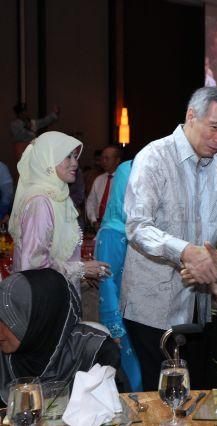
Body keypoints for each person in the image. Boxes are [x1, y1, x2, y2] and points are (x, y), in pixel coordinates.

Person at [120, 87, 217, 392]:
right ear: (191, 116)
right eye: (214, 127)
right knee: (160, 396)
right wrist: (185, 251)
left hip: (197, 303)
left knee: (194, 392)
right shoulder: (155, 157)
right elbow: (137, 226)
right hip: (153, 305)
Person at [0, 269, 124, 405]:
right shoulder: (4, 358)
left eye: (6, 321)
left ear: (40, 319)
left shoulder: (95, 351)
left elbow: (115, 413)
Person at [8, 132, 110, 293]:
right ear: (47, 160)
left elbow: (54, 255)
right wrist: (80, 269)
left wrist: (83, 269)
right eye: (68, 157)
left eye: (75, 156)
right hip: (43, 300)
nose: (75, 163)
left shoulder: (57, 196)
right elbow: (34, 264)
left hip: (54, 294)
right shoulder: (40, 202)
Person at [95, 160, 142, 391]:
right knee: (134, 378)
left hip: (142, 315)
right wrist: (114, 327)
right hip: (123, 322)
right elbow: (106, 285)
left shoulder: (142, 226)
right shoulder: (112, 231)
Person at [86, 145, 123, 231]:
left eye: (107, 158)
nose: (103, 161)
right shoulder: (99, 179)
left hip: (117, 227)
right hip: (98, 225)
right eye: (102, 158)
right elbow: (91, 202)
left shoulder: (123, 180)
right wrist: (93, 221)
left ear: (117, 160)